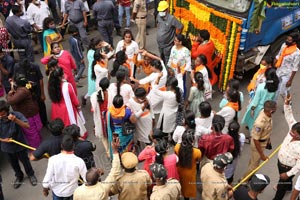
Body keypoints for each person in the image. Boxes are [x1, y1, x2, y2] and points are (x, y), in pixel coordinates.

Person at [0, 100, 37, 189]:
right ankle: (19, 176)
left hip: (20, 144)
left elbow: (27, 126)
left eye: (2, 114)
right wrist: (3, 140)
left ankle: (30, 174)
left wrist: (15, 120)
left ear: (7, 111)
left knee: (25, 161)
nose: (1, 116)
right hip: (7, 147)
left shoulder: (16, 114)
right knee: (13, 163)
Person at [42, 134, 87, 199]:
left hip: (58, 193)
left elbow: (46, 180)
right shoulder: (79, 161)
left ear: (61, 146)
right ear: (73, 146)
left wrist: (45, 190)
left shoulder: (53, 160)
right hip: (73, 192)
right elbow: (86, 179)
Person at [273, 95, 300, 200]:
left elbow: (299, 165)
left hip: (288, 168)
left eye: (293, 134)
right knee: (283, 180)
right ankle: (288, 186)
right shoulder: (294, 127)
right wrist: (287, 104)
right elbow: (289, 116)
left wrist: (288, 174)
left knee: (281, 188)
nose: (290, 134)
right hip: (280, 163)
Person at [48, 67, 87, 138]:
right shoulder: (67, 85)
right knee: (72, 122)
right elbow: (74, 98)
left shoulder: (51, 85)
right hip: (67, 108)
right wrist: (78, 106)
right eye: (63, 73)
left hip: (56, 108)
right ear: (60, 77)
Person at [242, 100, 276, 181]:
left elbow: (267, 129)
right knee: (254, 166)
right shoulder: (260, 123)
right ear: (271, 110)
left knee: (253, 161)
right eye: (275, 108)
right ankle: (244, 180)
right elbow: (256, 140)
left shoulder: (267, 114)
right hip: (258, 144)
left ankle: (249, 175)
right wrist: (262, 155)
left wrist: (268, 139)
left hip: (263, 140)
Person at [7, 73, 43, 148]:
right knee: (36, 131)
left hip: (28, 115)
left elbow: (11, 101)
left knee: (31, 133)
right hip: (33, 112)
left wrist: (9, 94)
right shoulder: (27, 85)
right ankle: (39, 143)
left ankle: (36, 149)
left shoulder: (22, 91)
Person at [14, 58, 48, 127]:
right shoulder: (16, 66)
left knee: (41, 106)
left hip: (36, 90)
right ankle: (35, 123)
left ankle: (45, 122)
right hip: (25, 92)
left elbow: (40, 79)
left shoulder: (35, 66)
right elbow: (15, 78)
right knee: (30, 108)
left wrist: (42, 94)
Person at [174, 130, 201, 199]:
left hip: (179, 171)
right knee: (188, 189)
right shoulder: (197, 152)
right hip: (190, 173)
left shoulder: (177, 147)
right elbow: (198, 160)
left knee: (181, 185)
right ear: (192, 141)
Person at [274, 32, 300, 101]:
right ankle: (273, 105)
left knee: (283, 92)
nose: (287, 41)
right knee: (276, 88)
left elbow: (295, 68)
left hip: (287, 75)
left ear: (294, 42)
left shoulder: (297, 53)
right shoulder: (284, 45)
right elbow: (279, 54)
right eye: (287, 39)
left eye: (289, 40)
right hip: (279, 71)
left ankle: (288, 103)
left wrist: (290, 80)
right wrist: (275, 61)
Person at [156, 0, 183, 65]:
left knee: (168, 60)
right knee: (162, 58)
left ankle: (168, 73)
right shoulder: (158, 16)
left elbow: (180, 26)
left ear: (167, 10)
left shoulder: (171, 18)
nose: (161, 12)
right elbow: (158, 24)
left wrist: (176, 36)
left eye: (163, 11)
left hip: (168, 45)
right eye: (160, 11)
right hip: (160, 44)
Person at [91, 77, 110, 157]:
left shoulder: (94, 95)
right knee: (110, 133)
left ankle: (108, 152)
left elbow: (92, 109)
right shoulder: (110, 94)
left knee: (103, 136)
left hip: (100, 119)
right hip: (109, 117)